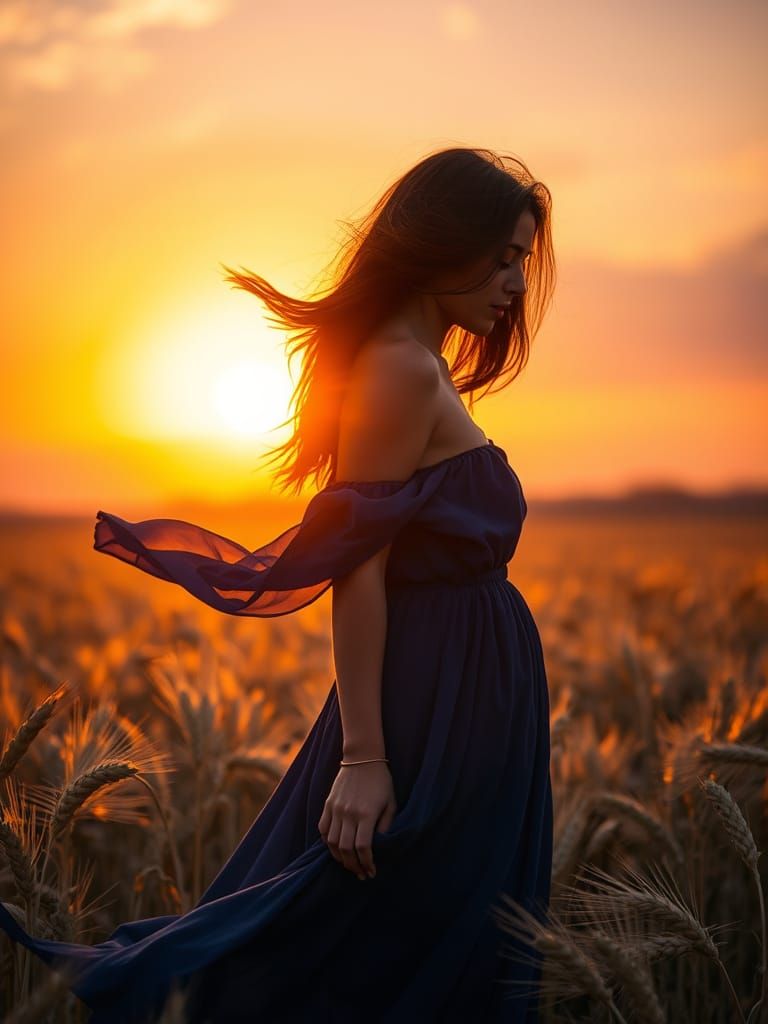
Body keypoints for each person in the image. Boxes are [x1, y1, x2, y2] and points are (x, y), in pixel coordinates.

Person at [0, 146, 556, 1022]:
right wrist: (366, 758)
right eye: (503, 257)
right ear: (442, 241)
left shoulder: (418, 362)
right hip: (434, 701)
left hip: (472, 694)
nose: (517, 284)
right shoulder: (399, 369)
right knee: (391, 946)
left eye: (523, 261)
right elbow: (358, 572)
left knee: (430, 942)